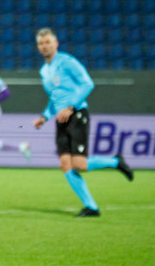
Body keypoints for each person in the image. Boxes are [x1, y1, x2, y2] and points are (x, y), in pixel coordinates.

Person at [33, 28, 133, 217]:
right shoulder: (44, 70)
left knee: (79, 164)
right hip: (60, 119)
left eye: (47, 42)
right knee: (65, 164)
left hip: (77, 114)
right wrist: (44, 117)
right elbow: (54, 97)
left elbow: (88, 83)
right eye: (41, 43)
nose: (44, 46)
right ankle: (91, 207)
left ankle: (115, 162)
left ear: (56, 43)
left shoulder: (67, 62)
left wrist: (71, 107)